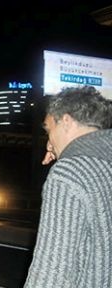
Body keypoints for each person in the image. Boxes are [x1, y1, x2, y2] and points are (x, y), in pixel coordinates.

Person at [24, 86, 112, 288]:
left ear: (66, 121)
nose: (49, 141)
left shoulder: (69, 173)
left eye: (48, 129)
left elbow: (52, 270)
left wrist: (67, 162)